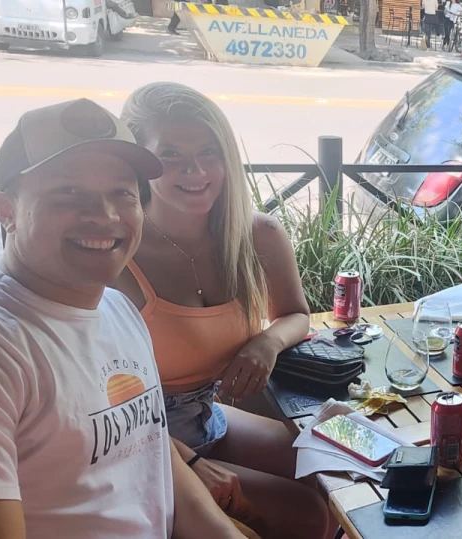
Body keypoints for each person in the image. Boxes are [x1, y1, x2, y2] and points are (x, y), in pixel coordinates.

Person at [0, 98, 247, 538]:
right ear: (5, 211)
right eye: (68, 193)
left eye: (122, 192)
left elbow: (154, 454)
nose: (105, 216)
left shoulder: (116, 309)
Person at [116, 82, 331, 539]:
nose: (196, 170)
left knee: (329, 470)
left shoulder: (257, 234)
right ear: (139, 163)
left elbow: (296, 314)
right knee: (306, 513)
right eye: (170, 155)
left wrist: (266, 343)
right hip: (142, 439)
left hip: (208, 414)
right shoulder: (119, 257)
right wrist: (191, 463)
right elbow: (98, 406)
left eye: (209, 151)